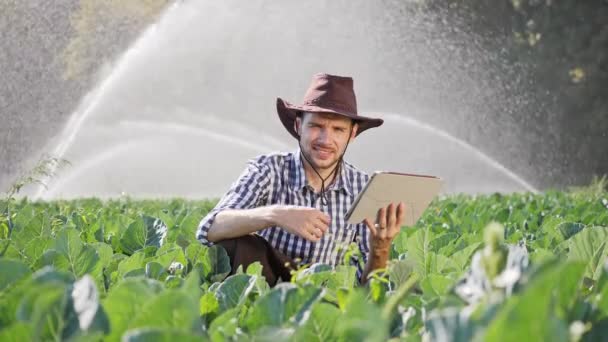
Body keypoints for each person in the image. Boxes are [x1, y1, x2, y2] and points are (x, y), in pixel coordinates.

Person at [196, 73, 404, 285]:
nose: (325, 140)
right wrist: (276, 214)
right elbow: (208, 229)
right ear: (298, 126)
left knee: (406, 286)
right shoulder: (268, 169)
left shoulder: (364, 188)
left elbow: (367, 285)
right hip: (264, 288)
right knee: (236, 244)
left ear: (352, 134)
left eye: (338, 130)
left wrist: (380, 249)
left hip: (325, 297)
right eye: (316, 126)